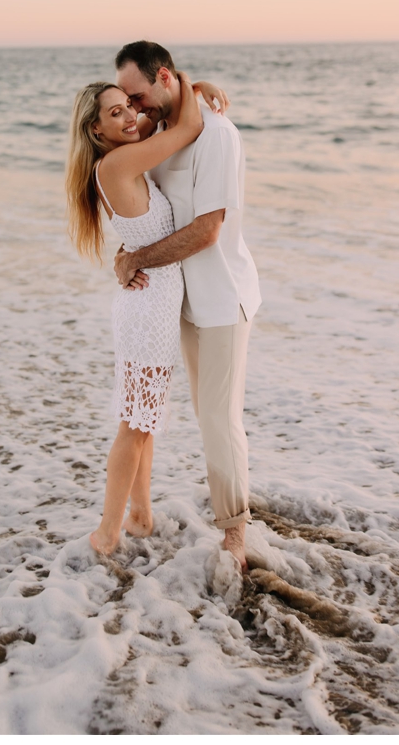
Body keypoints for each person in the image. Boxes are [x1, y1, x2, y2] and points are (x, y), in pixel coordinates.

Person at [111, 41, 262, 573]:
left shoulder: (217, 135)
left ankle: (235, 533)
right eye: (125, 101)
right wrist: (134, 254)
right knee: (204, 415)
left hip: (221, 299)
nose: (133, 108)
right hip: (180, 302)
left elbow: (206, 230)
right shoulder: (161, 132)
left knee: (219, 420)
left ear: (165, 77)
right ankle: (214, 507)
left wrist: (137, 259)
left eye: (138, 95)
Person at [65, 70, 224, 556]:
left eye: (129, 106)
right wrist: (190, 83)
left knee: (143, 417)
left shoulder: (124, 156)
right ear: (96, 130)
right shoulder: (116, 164)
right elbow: (185, 130)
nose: (131, 117)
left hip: (147, 299)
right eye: (116, 113)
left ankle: (140, 515)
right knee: (135, 425)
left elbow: (162, 120)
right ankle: (107, 532)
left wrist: (187, 94)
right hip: (148, 306)